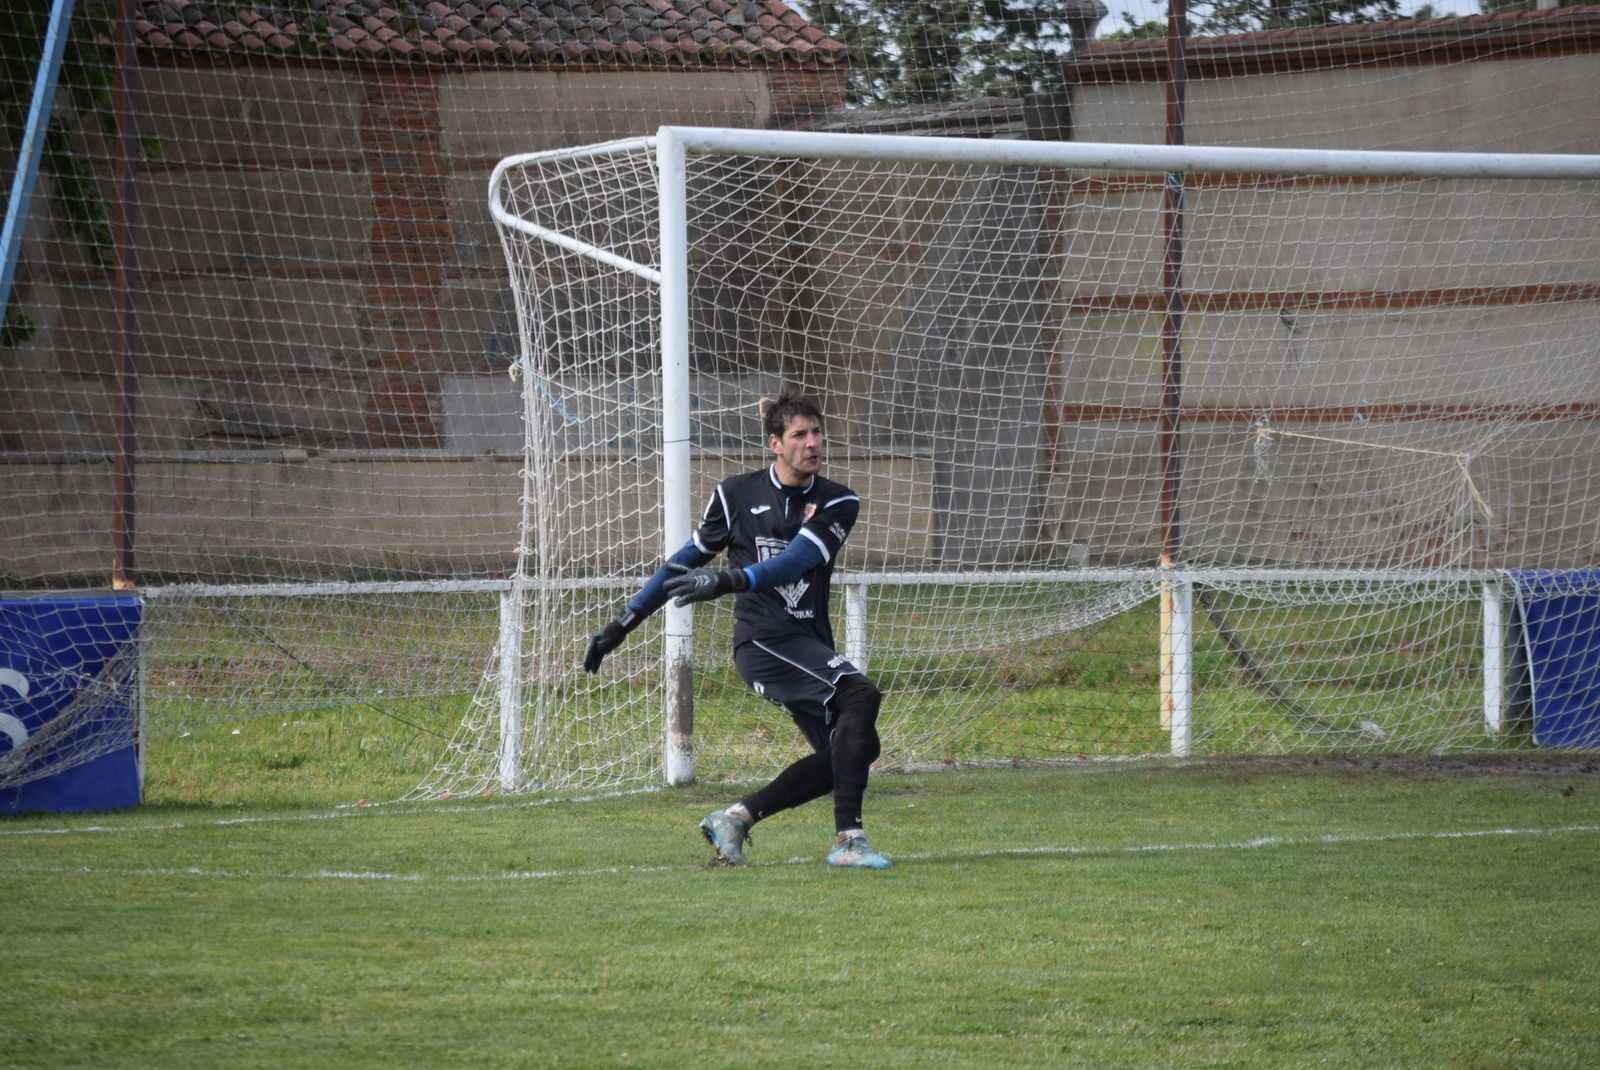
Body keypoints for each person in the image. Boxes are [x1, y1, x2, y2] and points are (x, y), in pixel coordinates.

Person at [582, 392, 890, 869]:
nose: (813, 443)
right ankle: (848, 840)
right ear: (775, 443)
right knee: (859, 696)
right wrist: (624, 622)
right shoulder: (735, 495)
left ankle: (736, 818)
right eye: (799, 434)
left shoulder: (837, 500)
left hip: (807, 642)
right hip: (763, 642)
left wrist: (725, 580)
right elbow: (682, 563)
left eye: (817, 432)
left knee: (853, 751)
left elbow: (795, 562)